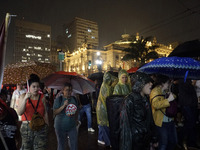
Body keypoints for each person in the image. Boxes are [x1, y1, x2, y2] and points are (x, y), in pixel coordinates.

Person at [120, 72, 155, 150]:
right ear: (139, 85)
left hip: (145, 141)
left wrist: (153, 139)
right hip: (135, 143)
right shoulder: (129, 100)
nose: (151, 84)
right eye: (147, 82)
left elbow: (150, 120)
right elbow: (125, 127)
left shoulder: (145, 99)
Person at [17, 74, 49, 150]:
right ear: (29, 87)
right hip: (27, 128)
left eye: (37, 86)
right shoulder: (23, 96)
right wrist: (25, 99)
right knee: (27, 148)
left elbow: (45, 113)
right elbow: (20, 112)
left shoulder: (42, 97)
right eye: (33, 87)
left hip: (40, 126)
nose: (36, 89)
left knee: (40, 148)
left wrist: (47, 126)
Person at [150, 74, 177, 150]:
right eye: (167, 83)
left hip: (170, 120)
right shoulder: (155, 91)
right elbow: (155, 105)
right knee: (163, 143)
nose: (168, 84)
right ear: (162, 83)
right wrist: (168, 100)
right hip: (161, 122)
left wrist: (170, 96)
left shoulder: (166, 90)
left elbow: (174, 96)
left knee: (173, 141)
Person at [53, 82, 78, 150]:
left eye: (70, 90)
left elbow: (76, 110)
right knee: (61, 145)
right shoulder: (58, 100)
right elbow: (55, 112)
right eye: (67, 90)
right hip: (60, 127)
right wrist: (63, 106)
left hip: (72, 126)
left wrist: (76, 120)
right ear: (63, 90)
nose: (69, 92)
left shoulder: (74, 99)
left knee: (74, 145)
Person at [96, 72, 118, 146]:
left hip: (100, 108)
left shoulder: (104, 85)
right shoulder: (105, 86)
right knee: (104, 125)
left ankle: (100, 138)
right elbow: (107, 98)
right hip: (103, 109)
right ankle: (108, 142)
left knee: (101, 124)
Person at [178, 79, 199, 149]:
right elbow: (185, 89)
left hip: (192, 103)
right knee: (189, 123)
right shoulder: (183, 76)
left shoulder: (190, 76)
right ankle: (179, 139)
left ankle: (191, 142)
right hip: (186, 104)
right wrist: (192, 84)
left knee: (193, 124)